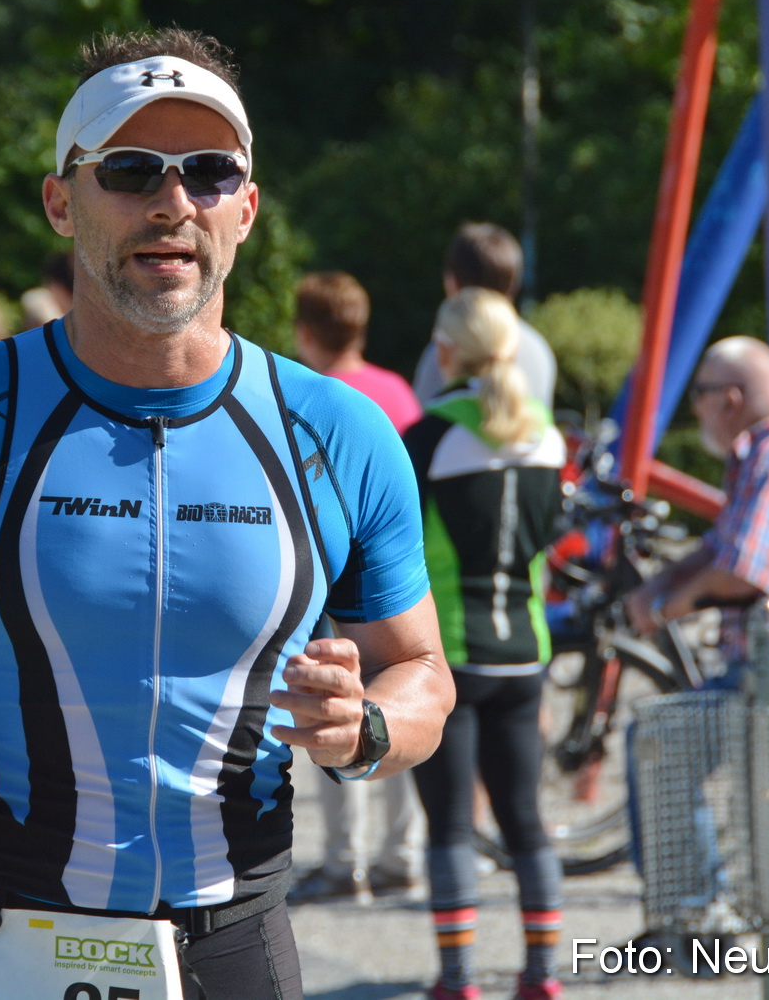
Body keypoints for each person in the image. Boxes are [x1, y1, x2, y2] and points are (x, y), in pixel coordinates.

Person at [0, 27, 453, 999]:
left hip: (238, 942)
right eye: (129, 169)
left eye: (207, 172)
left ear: (244, 210)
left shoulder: (338, 433)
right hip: (6, 934)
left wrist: (368, 728)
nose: (172, 201)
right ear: (59, 201)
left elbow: (421, 671)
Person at [404, 288, 565, 1000]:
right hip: (526, 647)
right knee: (525, 815)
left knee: (449, 821)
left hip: (453, 651)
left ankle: (459, 977)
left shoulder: (430, 436)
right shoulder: (548, 435)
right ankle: (540, 974)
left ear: (446, 352)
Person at [288, 270, 425, 902]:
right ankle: (402, 852)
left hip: (332, 583)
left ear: (306, 331)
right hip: (396, 579)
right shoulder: (397, 391)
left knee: (330, 713)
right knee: (391, 706)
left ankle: (345, 861)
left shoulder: (312, 398)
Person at [626, 336, 769, 709]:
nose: (695, 409)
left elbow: (742, 574)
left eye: (699, 393)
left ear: (729, 399)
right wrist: (664, 580)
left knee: (656, 742)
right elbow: (720, 546)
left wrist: (663, 609)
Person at [412, 223, 557, 410]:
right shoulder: (539, 349)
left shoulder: (445, 349)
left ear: (452, 283)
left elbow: (421, 425)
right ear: (513, 285)